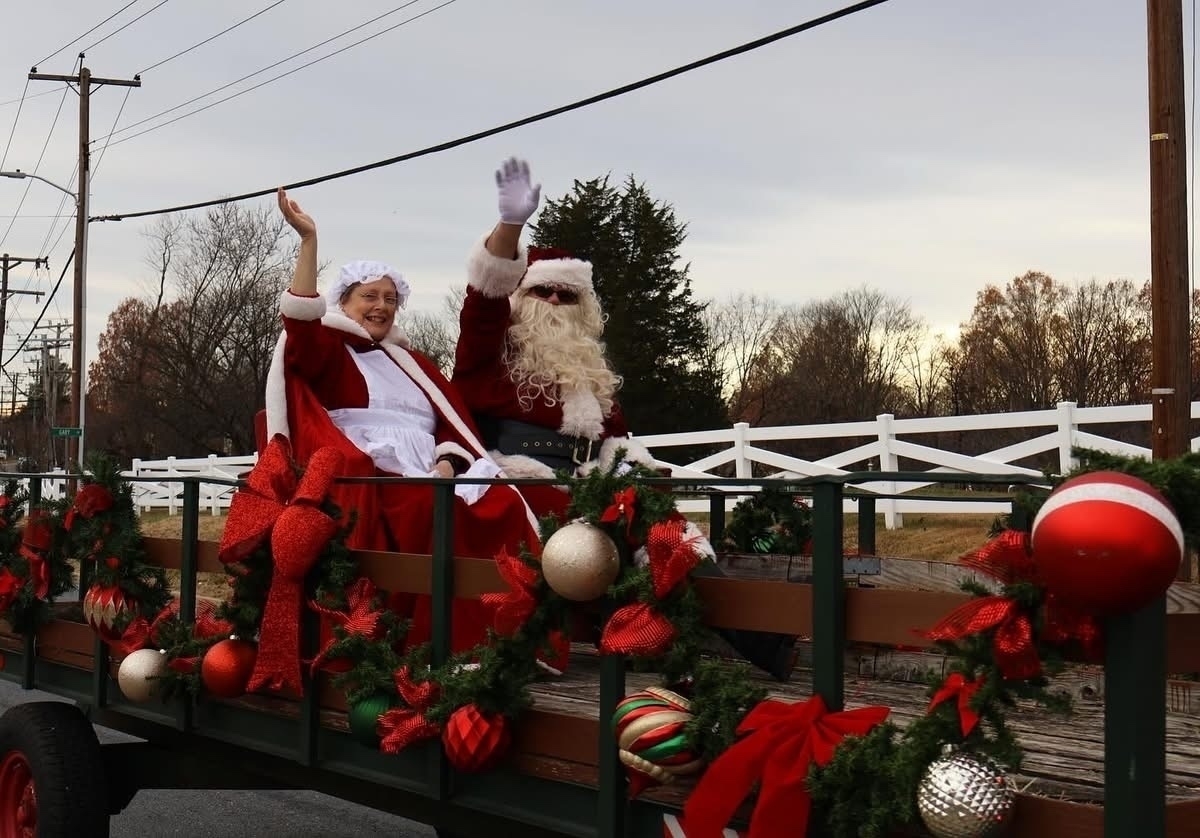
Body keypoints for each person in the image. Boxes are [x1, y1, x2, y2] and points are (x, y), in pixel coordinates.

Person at [453, 158, 797, 681]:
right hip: (523, 483)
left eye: (566, 294)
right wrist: (512, 226)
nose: (553, 301)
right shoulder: (490, 357)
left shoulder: (590, 373)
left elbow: (615, 442)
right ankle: (666, 642)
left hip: (594, 481)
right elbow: (483, 301)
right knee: (609, 532)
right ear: (519, 298)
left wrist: (638, 479)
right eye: (541, 291)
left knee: (665, 528)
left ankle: (759, 641)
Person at [265, 186, 545, 659]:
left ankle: (508, 636)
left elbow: (450, 425)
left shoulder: (412, 362)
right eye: (368, 297)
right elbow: (301, 322)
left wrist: (448, 462)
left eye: (389, 298)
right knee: (428, 512)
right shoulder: (331, 351)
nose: (380, 306)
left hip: (430, 467)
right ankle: (432, 642)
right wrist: (309, 242)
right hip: (371, 471)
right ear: (344, 303)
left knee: (503, 503)